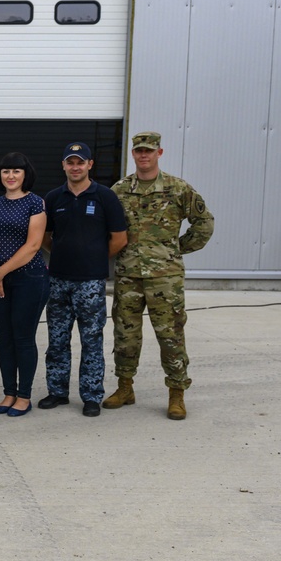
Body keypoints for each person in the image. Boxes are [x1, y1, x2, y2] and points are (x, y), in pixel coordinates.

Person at [105, 131, 214, 420]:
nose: (144, 155)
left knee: (170, 336)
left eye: (149, 151)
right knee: (125, 334)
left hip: (165, 278)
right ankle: (125, 387)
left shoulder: (178, 189)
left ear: (159, 153)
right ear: (133, 154)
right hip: (128, 275)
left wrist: (176, 249)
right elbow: (107, 227)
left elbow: (204, 222)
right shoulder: (119, 190)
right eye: (139, 151)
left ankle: (176, 394)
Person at [39, 142, 127, 417]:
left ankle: (91, 395)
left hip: (90, 282)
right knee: (57, 340)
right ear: (63, 165)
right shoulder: (54, 198)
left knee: (91, 340)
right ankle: (57, 391)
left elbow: (119, 238)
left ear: (90, 165)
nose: (75, 167)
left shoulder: (105, 197)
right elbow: (44, 236)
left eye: (80, 162)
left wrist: (96, 258)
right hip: (59, 281)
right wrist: (65, 254)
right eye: (70, 162)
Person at [0, 151, 49, 417]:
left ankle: (24, 396)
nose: (11, 176)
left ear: (25, 174)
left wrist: (1, 274)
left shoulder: (35, 204)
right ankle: (9, 392)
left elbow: (32, 246)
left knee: (22, 337)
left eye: (16, 171)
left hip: (29, 279)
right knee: (4, 338)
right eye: (6, 171)